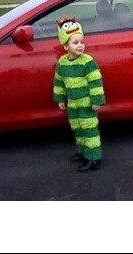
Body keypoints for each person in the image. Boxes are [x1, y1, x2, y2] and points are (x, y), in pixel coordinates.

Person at [53, 15, 105, 172]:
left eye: (82, 42)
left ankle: (94, 157)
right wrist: (60, 99)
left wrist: (96, 101)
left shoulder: (88, 62)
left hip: (87, 104)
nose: (80, 45)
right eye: (75, 43)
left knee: (89, 130)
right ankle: (83, 152)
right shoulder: (62, 63)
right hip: (72, 104)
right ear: (66, 46)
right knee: (78, 129)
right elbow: (59, 82)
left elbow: (96, 82)